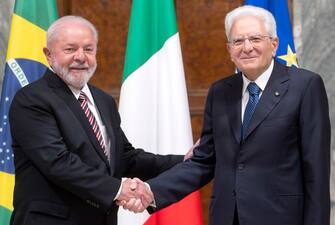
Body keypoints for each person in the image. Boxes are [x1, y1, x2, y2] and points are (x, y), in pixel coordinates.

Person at [124, 5, 331, 225]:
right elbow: (204, 161)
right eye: (238, 41)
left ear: (274, 44)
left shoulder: (305, 86)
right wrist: (150, 190)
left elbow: (316, 172)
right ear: (229, 49)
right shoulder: (220, 92)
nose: (247, 47)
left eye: (255, 38)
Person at [8, 15, 189, 225]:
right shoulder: (32, 99)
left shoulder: (103, 100)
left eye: (88, 49)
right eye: (70, 49)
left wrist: (186, 160)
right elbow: (58, 162)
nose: (80, 57)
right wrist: (119, 189)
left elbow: (126, 158)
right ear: (48, 55)